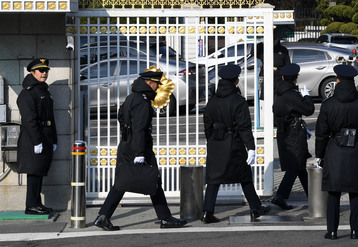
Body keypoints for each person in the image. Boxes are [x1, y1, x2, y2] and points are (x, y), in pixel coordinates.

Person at [94, 71, 187, 231]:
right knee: (153, 179)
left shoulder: (132, 97)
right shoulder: (143, 102)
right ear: (149, 83)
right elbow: (140, 129)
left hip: (125, 144)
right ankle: (165, 218)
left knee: (121, 183)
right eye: (156, 84)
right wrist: (140, 153)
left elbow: (120, 116)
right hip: (138, 146)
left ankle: (103, 216)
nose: (158, 87)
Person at [201, 64, 271, 223]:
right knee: (244, 176)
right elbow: (244, 127)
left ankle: (207, 212)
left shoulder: (211, 102)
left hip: (215, 143)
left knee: (213, 178)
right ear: (236, 81)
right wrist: (251, 148)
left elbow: (207, 127)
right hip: (233, 142)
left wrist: (212, 141)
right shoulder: (239, 101)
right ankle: (255, 207)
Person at [315, 65, 358, 240]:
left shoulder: (328, 105)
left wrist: (320, 154)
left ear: (338, 80)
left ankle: (332, 231)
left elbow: (321, 133)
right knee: (355, 191)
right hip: (355, 147)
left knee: (333, 192)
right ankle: (356, 230)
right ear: (353, 82)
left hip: (334, 147)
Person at [17, 58, 58, 215]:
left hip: (45, 136)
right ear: (32, 72)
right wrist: (36, 141)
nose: (44, 73)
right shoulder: (28, 93)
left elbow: (51, 117)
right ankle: (31, 205)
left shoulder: (43, 91)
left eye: (46, 70)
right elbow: (29, 120)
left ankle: (36, 203)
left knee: (39, 171)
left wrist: (53, 139)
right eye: (41, 71)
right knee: (34, 172)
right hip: (33, 138)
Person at [272, 63, 315, 210]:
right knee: (296, 165)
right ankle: (280, 196)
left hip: (285, 131)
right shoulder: (291, 95)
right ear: (296, 79)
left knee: (299, 165)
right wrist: (307, 97)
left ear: (283, 77)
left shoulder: (278, 93)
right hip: (294, 133)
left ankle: (313, 198)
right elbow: (309, 109)